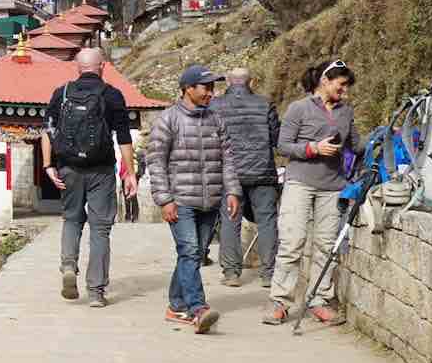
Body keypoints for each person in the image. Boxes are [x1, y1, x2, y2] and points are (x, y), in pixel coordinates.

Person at [146, 65, 241, 334]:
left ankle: (176, 305)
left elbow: (228, 160)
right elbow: (155, 162)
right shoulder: (168, 120)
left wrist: (233, 191)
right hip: (181, 200)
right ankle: (198, 308)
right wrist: (165, 200)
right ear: (188, 88)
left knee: (195, 254)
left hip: (210, 200)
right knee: (189, 251)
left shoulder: (217, 120)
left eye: (213, 88)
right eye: (206, 87)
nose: (211, 93)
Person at [266, 60, 359, 326]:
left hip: (333, 187)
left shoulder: (346, 112)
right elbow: (283, 146)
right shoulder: (299, 108)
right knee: (292, 243)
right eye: (341, 85)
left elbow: (356, 144)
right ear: (325, 81)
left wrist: (389, 135)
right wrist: (313, 149)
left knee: (326, 247)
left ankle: (318, 300)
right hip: (300, 184)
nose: (345, 91)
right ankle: (280, 301)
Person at [42, 47, 137, 308]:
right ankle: (95, 291)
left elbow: (48, 130)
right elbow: (125, 138)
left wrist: (49, 166)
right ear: (102, 67)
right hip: (102, 170)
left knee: (72, 219)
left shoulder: (61, 93)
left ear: (77, 67)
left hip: (69, 169)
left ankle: (69, 266)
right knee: (100, 229)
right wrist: (130, 173)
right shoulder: (113, 95)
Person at [209, 68, 282, 287]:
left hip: (230, 173)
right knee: (267, 222)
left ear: (229, 82)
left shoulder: (215, 106)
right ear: (252, 81)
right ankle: (269, 273)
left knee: (230, 220)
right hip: (263, 173)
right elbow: (277, 137)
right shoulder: (265, 104)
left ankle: (231, 273)